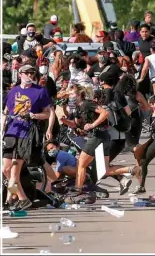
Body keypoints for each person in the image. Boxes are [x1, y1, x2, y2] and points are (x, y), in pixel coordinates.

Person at [2, 64, 54, 211]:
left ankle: (12, 200)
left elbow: (48, 113)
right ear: (20, 74)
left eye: (32, 73)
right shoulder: (13, 91)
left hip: (25, 135)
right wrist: (2, 131)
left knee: (14, 172)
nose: (30, 75)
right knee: (6, 170)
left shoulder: (40, 91)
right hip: (11, 133)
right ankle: (19, 198)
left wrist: (34, 116)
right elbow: (5, 112)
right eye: (26, 73)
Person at [60, 84, 111, 197]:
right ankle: (131, 170)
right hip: (97, 136)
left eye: (72, 94)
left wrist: (93, 124)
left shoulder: (87, 103)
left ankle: (78, 189)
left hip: (98, 135)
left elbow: (105, 113)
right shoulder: (78, 108)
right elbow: (76, 125)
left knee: (82, 163)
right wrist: (65, 121)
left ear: (79, 95)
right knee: (101, 168)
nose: (70, 96)